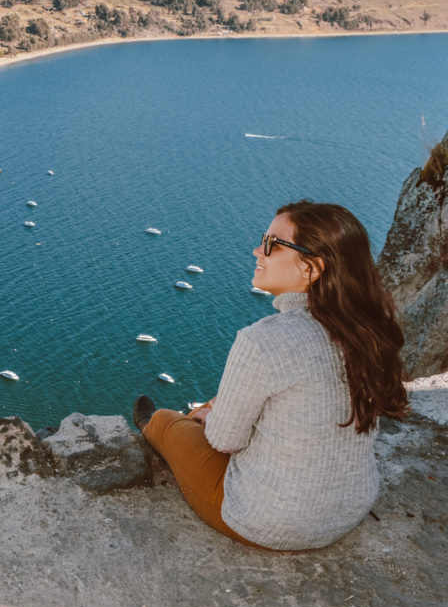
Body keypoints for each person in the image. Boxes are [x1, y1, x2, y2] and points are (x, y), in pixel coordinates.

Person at [132, 200, 409, 550]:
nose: (256, 251)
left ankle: (153, 426)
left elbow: (224, 442)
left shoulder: (262, 340)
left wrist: (210, 417)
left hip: (269, 521)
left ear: (311, 267)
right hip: (349, 509)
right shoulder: (368, 331)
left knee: (170, 424)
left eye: (271, 244)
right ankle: (198, 414)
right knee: (220, 408)